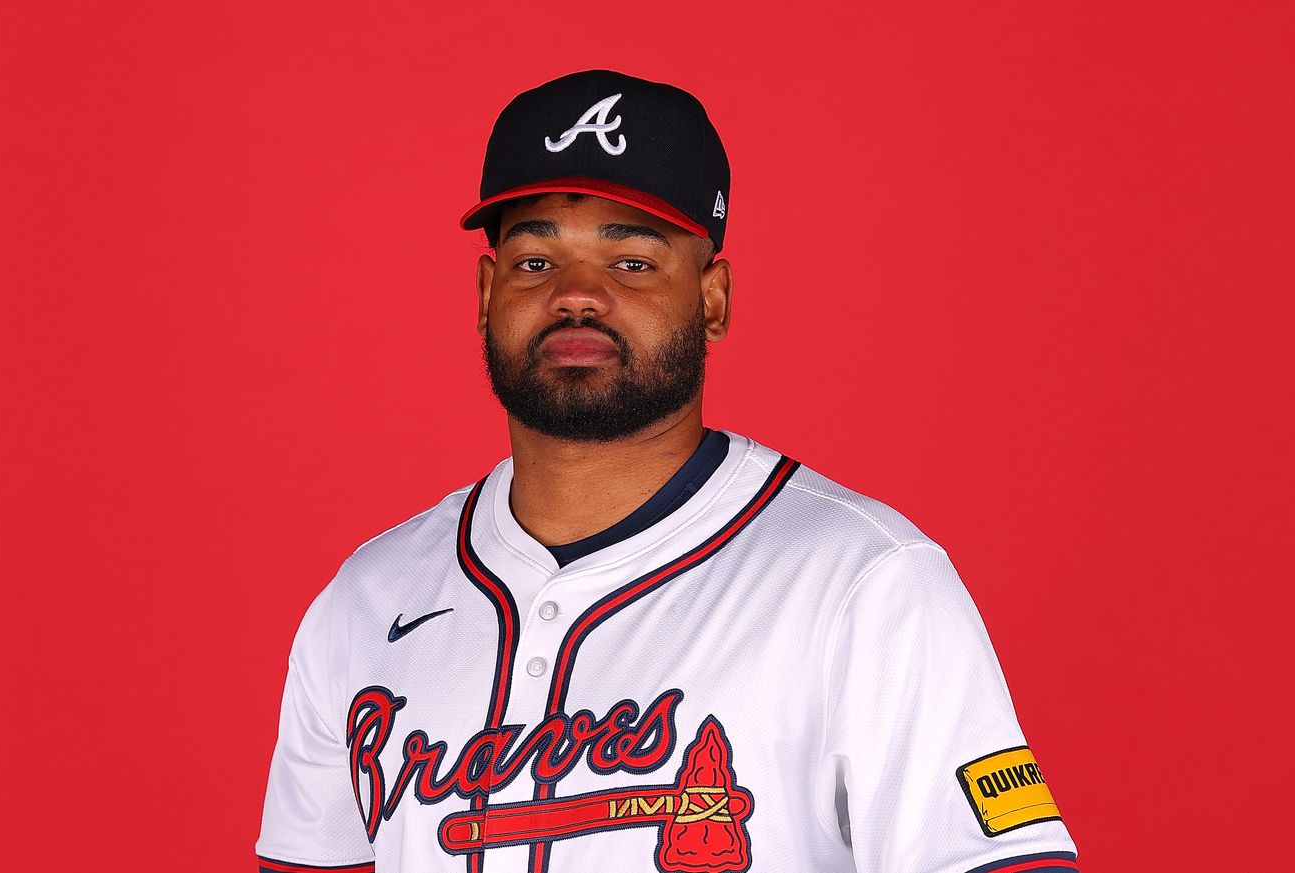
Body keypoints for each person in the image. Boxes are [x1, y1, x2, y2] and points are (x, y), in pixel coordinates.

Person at [256, 69, 1080, 873]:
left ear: (713, 298)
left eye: (633, 262)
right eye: (536, 261)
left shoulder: (866, 584)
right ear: (485, 293)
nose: (578, 295)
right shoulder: (367, 601)